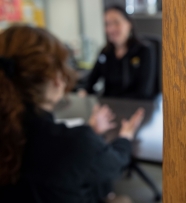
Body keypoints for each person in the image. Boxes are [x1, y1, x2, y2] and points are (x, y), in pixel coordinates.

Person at [0, 25, 144, 203]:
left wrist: (91, 137)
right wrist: (125, 136)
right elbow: (114, 166)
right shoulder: (74, 143)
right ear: (56, 79)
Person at [78, 5, 156, 100]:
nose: (111, 29)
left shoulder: (144, 51)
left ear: (128, 23)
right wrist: (83, 92)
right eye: (107, 24)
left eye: (116, 23)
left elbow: (144, 91)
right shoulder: (105, 53)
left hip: (135, 107)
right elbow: (91, 81)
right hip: (108, 108)